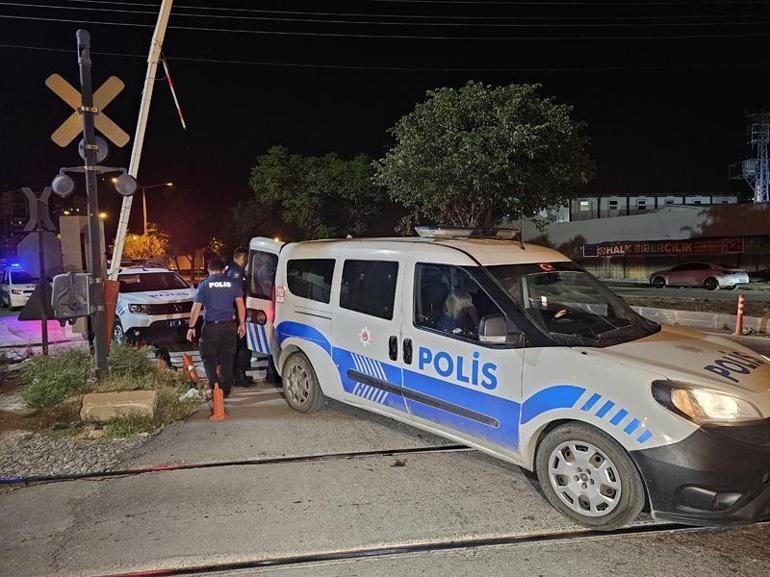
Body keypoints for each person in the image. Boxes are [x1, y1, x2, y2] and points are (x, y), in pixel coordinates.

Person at [187, 257, 246, 398]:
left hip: (211, 327)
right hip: (229, 326)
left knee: (209, 357)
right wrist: (242, 323)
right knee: (227, 358)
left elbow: (196, 308)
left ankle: (215, 387)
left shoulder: (204, 285)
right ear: (223, 269)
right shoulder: (233, 284)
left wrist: (191, 326)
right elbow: (240, 305)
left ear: (208, 270)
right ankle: (225, 390)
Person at [225, 246, 253, 387]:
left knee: (236, 347)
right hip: (236, 315)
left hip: (231, 315)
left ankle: (235, 376)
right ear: (242, 258)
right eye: (247, 259)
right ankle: (239, 376)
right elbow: (238, 297)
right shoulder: (237, 273)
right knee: (242, 346)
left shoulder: (230, 270)